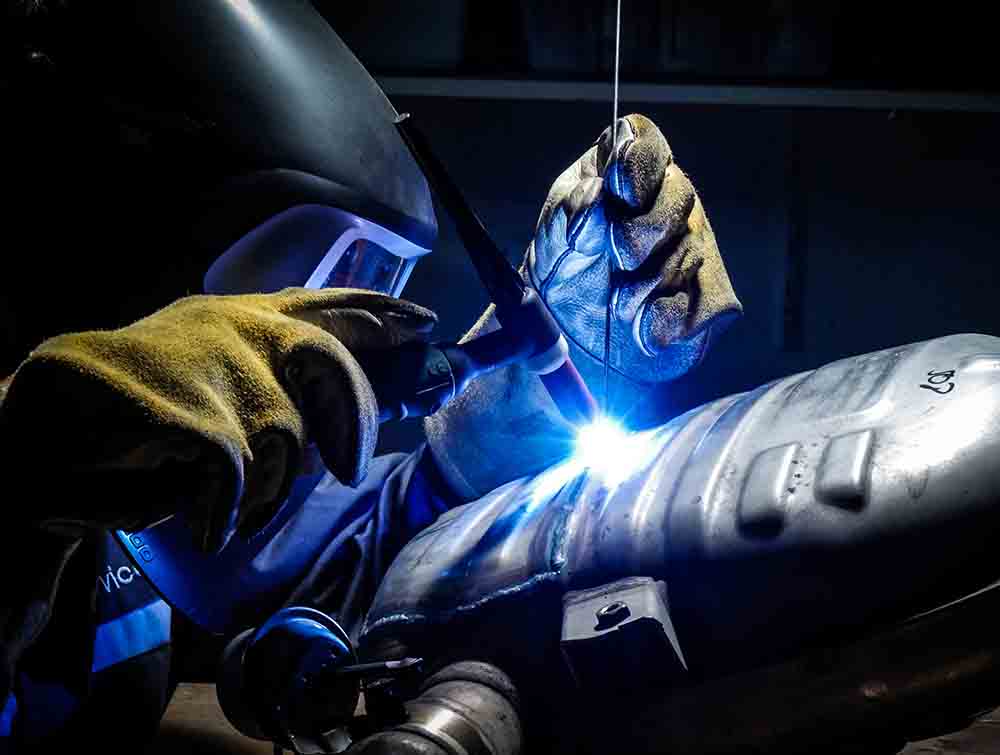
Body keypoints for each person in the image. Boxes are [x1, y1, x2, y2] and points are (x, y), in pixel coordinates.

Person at [0, 1, 741, 751]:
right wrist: (23, 486)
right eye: (327, 269)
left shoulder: (134, 530)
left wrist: (494, 434)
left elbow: (339, 562)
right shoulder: (48, 473)